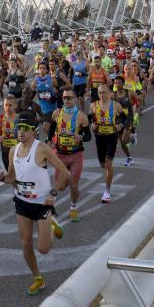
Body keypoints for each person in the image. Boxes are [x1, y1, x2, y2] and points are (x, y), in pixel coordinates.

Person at [0, 111, 67, 296]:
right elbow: (12, 178)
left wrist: (53, 192)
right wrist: (3, 178)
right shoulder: (13, 150)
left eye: (25, 129)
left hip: (42, 203)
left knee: (43, 249)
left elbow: (65, 172)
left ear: (34, 131)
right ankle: (38, 278)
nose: (21, 132)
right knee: (25, 243)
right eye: (19, 128)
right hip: (22, 202)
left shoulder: (42, 149)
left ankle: (51, 224)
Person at [51, 87, 91, 221]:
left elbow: (88, 136)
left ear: (75, 99)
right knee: (60, 187)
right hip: (60, 155)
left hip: (76, 156)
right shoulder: (56, 114)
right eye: (64, 98)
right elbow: (51, 132)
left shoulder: (81, 117)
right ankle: (67, 177)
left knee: (74, 185)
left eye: (69, 97)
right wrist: (49, 143)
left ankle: (73, 208)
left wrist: (81, 138)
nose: (67, 100)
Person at [89, 85, 123, 204]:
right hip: (99, 138)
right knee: (103, 164)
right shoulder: (93, 106)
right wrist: (91, 125)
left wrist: (120, 125)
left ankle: (107, 192)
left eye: (104, 92)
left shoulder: (116, 105)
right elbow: (89, 118)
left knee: (108, 163)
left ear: (109, 93)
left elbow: (124, 117)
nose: (102, 95)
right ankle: (107, 162)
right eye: (99, 93)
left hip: (111, 137)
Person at [0, 95, 19, 171]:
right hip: (5, 153)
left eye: (10, 105)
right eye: (6, 105)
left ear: (15, 106)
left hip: (19, 154)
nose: (8, 107)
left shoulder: (20, 119)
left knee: (19, 178)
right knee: (11, 177)